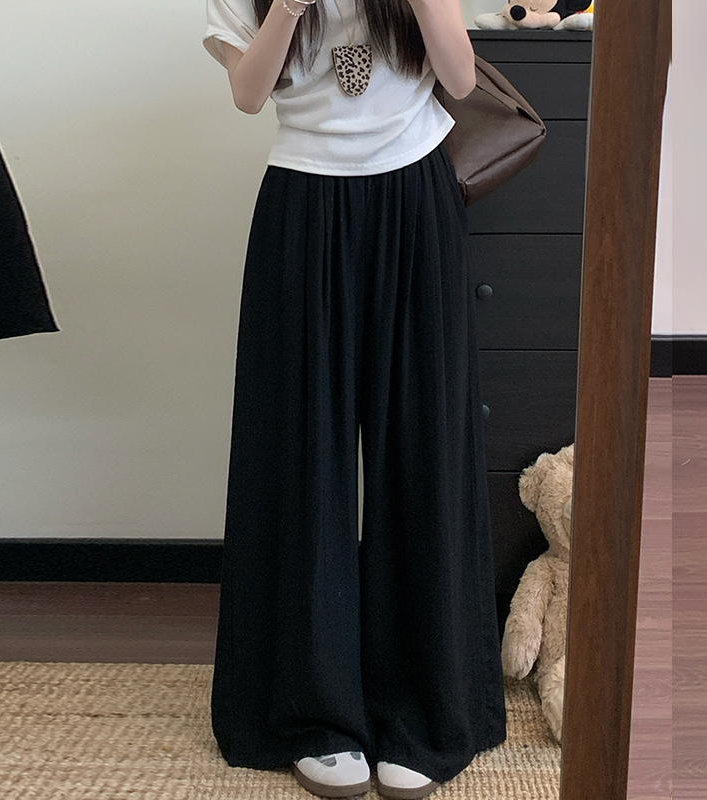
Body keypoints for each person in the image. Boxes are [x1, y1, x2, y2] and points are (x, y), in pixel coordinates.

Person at [202, 0, 507, 797]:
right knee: (304, 449)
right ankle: (316, 711)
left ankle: (425, 707)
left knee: (423, 445)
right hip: (302, 203)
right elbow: (248, 94)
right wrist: (288, 8)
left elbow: (460, 77)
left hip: (415, 197)